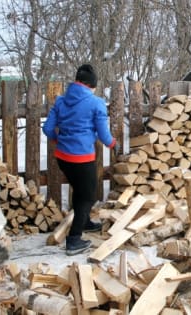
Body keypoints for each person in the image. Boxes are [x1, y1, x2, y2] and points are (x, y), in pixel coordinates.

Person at [43, 64, 119, 255]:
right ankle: (74, 240)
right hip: (82, 158)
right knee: (88, 196)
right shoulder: (96, 103)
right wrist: (112, 143)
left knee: (79, 189)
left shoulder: (60, 101)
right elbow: (103, 134)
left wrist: (58, 139)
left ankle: (83, 221)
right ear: (91, 85)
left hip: (63, 158)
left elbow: (47, 128)